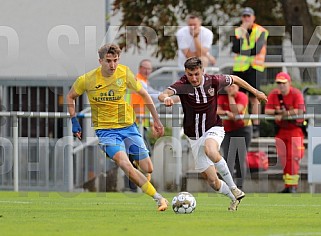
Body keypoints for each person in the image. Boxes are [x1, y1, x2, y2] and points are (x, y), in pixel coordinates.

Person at [66, 43, 169, 211]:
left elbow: (144, 94)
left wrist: (156, 120)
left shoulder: (124, 73)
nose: (112, 65)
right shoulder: (87, 79)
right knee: (124, 164)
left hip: (128, 126)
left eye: (115, 60)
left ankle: (132, 161)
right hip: (106, 131)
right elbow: (70, 97)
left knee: (147, 168)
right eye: (108, 61)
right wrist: (74, 120)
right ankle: (159, 199)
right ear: (100, 61)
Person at [158, 57, 267, 211]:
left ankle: (234, 187)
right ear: (186, 73)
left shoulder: (213, 80)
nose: (194, 78)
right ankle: (233, 197)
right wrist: (166, 99)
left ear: (202, 71)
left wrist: (256, 92)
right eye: (190, 74)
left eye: (196, 74)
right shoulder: (182, 84)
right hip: (193, 136)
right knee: (212, 181)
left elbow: (235, 78)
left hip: (213, 128)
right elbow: (163, 94)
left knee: (210, 150)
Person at [265, 72, 305, 193]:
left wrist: (283, 114)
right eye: (279, 83)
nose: (281, 86)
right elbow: (267, 110)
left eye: (283, 83)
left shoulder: (296, 93)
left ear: (289, 83)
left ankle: (293, 186)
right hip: (282, 131)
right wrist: (278, 114)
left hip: (295, 130)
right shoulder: (274, 94)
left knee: (293, 158)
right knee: (283, 158)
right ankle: (288, 185)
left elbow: (300, 110)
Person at [231, 7, 269, 138]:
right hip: (239, 68)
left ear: (253, 18)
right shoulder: (237, 31)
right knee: (239, 97)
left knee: (254, 97)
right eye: (244, 16)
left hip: (255, 67)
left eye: (249, 16)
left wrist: (244, 47)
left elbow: (256, 50)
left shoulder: (261, 31)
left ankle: (256, 126)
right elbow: (235, 48)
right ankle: (243, 124)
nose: (246, 19)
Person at [217, 84, 252, 190]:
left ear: (237, 87)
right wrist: (226, 112)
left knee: (240, 159)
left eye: (233, 86)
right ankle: (229, 186)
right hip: (227, 131)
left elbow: (236, 111)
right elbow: (216, 111)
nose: (230, 88)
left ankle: (240, 187)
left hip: (243, 129)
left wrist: (231, 97)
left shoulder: (242, 96)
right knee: (228, 158)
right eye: (228, 86)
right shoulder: (221, 97)